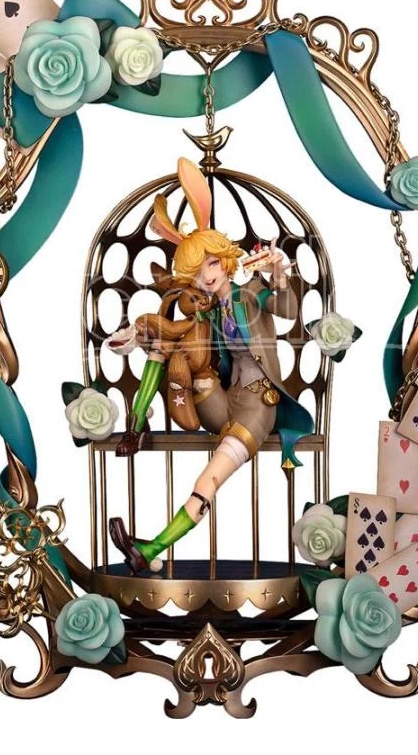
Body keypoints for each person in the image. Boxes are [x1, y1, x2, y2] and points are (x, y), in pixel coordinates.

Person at [108, 158, 313, 574]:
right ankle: (137, 422)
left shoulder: (250, 292)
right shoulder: (206, 311)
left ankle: (150, 548)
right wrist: (144, 335)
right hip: (222, 400)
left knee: (208, 481)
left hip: (257, 408)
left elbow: (289, 309)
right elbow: (185, 338)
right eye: (197, 271)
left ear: (225, 260)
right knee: (170, 348)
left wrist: (279, 274)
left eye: (213, 264)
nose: (207, 276)